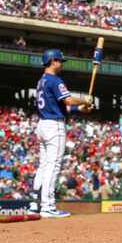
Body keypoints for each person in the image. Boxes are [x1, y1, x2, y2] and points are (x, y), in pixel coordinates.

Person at [31, 48, 92, 218]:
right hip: (54, 126)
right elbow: (68, 99)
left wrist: (80, 108)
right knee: (53, 165)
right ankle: (48, 206)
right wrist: (85, 99)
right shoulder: (55, 80)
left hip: (42, 124)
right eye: (60, 61)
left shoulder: (42, 80)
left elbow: (60, 104)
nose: (61, 64)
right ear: (53, 61)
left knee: (43, 165)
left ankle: (34, 204)